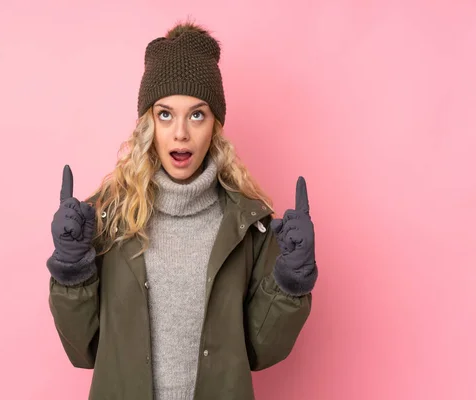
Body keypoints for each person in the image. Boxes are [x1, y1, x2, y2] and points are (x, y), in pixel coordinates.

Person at [46, 21, 318, 400]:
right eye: (165, 114)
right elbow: (83, 348)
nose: (180, 134)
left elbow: (261, 351)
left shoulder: (247, 224)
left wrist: (291, 282)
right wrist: (71, 269)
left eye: (196, 114)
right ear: (148, 123)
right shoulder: (106, 218)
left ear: (215, 125)